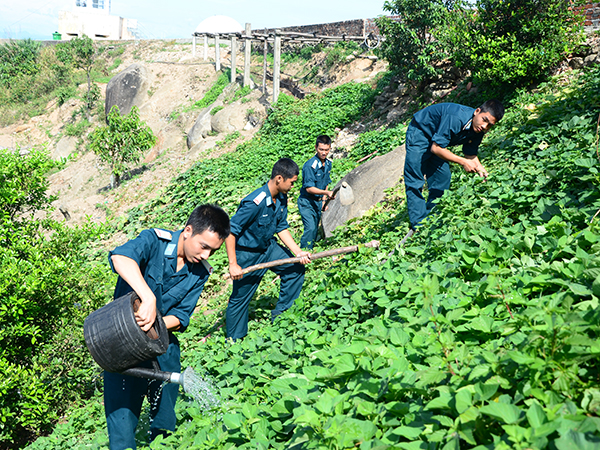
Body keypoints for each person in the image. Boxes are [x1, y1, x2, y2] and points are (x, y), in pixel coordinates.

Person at [103, 204, 230, 450]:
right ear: (188, 231)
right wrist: (147, 298)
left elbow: (181, 316)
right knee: (121, 432)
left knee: (164, 424)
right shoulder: (154, 241)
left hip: (163, 348)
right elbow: (120, 257)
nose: (205, 255)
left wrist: (152, 325)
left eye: (212, 251)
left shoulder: (200, 272)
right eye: (203, 246)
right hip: (122, 348)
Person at [226, 158, 311, 340]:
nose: (292, 187)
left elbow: (281, 227)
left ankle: (282, 315)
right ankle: (233, 340)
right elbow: (230, 232)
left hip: (268, 248)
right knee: (240, 298)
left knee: (295, 268)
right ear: (279, 178)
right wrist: (233, 264)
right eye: (292, 182)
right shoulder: (254, 203)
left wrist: (298, 252)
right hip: (247, 254)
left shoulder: (282, 197)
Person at [402, 99, 504, 240]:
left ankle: (433, 215)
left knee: (442, 177)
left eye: (489, 125)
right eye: (484, 120)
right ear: (477, 111)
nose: (484, 126)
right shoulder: (456, 118)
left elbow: (470, 153)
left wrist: (481, 169)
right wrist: (463, 162)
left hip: (436, 140)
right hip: (421, 132)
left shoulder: (479, 129)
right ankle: (419, 225)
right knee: (415, 177)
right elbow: (436, 148)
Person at [297, 135, 335, 249]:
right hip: (307, 202)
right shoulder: (310, 166)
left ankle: (311, 252)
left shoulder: (328, 164)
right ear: (316, 148)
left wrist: (323, 201)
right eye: (321, 149)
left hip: (318, 201)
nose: (324, 153)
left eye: (326, 150)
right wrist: (326, 194)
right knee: (310, 228)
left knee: (314, 229)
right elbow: (309, 188)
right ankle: (303, 253)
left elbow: (326, 182)